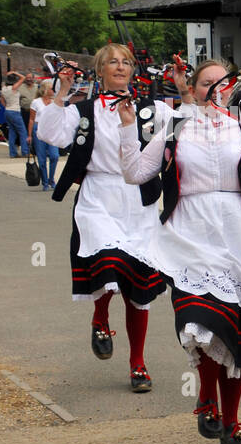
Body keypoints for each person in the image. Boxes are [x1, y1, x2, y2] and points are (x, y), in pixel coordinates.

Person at [119, 59, 241, 444]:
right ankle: (207, 396)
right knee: (198, 321)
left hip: (237, 235)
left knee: (235, 331)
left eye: (223, 82)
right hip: (188, 234)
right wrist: (124, 127)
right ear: (193, 87)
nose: (215, 89)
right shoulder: (174, 125)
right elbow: (136, 173)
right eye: (207, 82)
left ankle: (232, 421)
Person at [38, 44, 171, 393]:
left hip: (137, 199)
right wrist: (62, 93)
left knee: (138, 286)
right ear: (99, 70)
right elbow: (50, 134)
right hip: (98, 196)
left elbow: (180, 133)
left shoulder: (150, 109)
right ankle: (100, 318)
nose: (120, 67)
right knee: (109, 261)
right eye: (112, 61)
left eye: (126, 62)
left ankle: (138, 362)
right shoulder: (82, 111)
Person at [29, 81, 59, 191]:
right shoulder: (36, 102)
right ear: (45, 90)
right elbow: (31, 119)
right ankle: (45, 181)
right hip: (39, 128)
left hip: (51, 130)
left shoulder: (55, 102)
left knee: (54, 156)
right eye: (51, 88)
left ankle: (51, 179)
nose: (53, 91)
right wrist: (29, 135)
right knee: (41, 159)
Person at [0, 70, 29, 157]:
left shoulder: (3, 88)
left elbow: (2, 101)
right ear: (14, 81)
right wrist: (15, 72)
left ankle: (13, 153)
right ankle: (25, 152)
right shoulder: (14, 87)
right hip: (15, 111)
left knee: (12, 132)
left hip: (7, 111)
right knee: (23, 132)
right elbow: (23, 78)